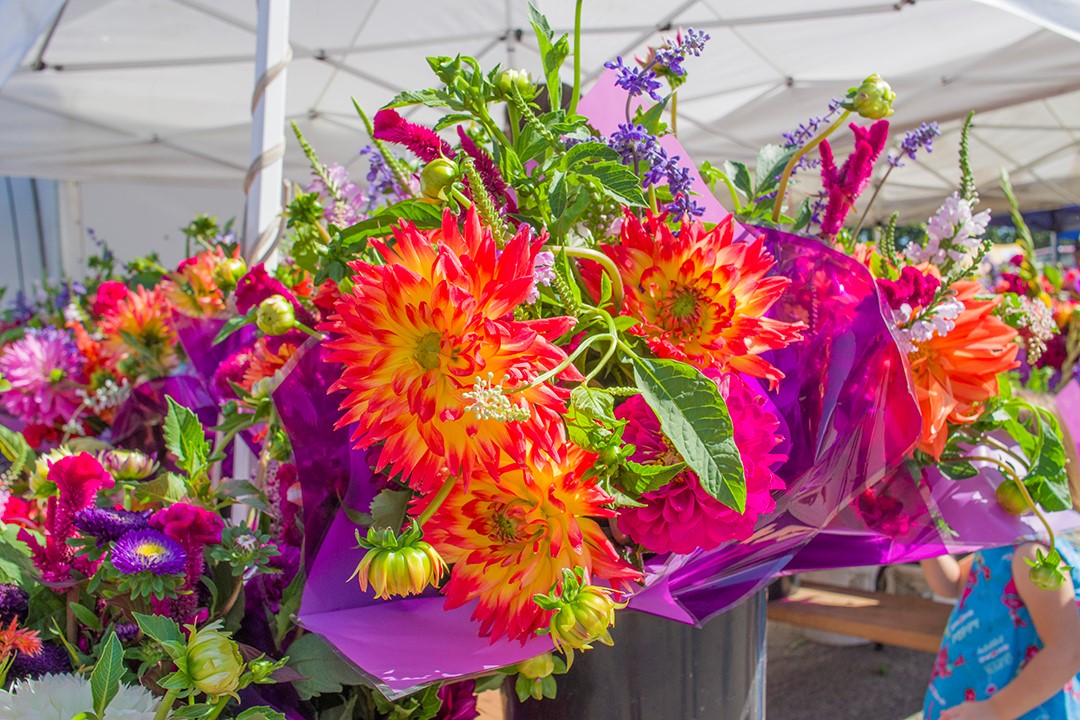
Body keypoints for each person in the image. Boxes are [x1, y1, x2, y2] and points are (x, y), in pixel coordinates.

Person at [920, 539, 1080, 719]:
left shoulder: (1032, 555)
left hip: (1018, 708)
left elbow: (1067, 651)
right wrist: (922, 537)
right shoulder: (999, 544)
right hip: (975, 696)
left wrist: (996, 709)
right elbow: (953, 584)